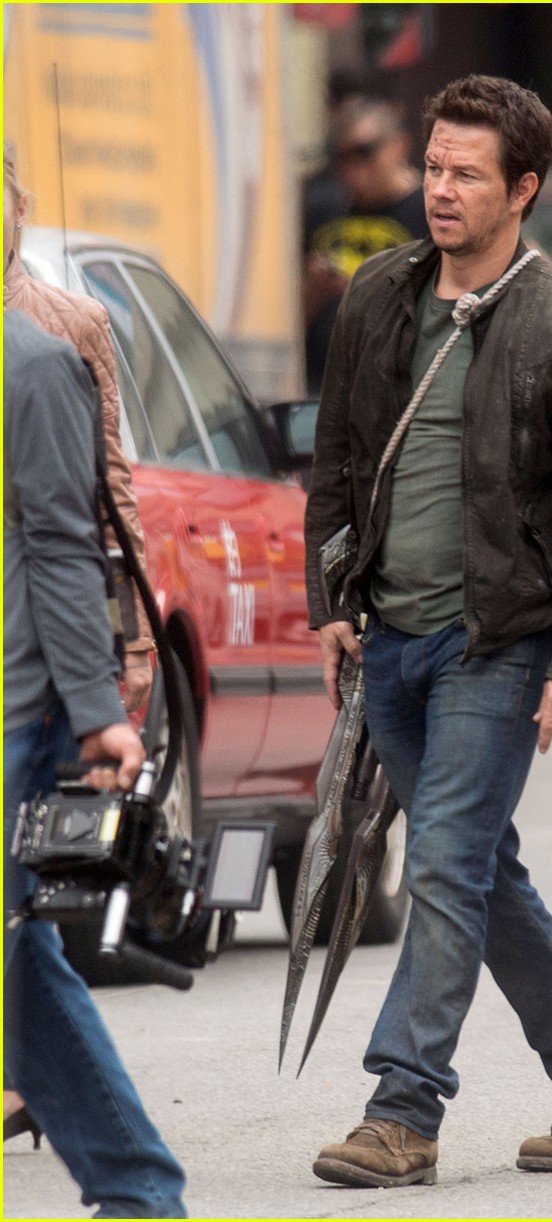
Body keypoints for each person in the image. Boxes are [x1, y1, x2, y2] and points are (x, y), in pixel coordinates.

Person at [304, 74, 552, 1189]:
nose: (440, 189)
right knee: (479, 870)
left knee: (446, 865)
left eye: (466, 173)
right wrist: (330, 603)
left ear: (523, 189)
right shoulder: (377, 293)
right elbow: (336, 459)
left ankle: (401, 1110)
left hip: (496, 644)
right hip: (392, 637)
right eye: (433, 166)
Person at [4, 306, 189, 1217]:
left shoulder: (31, 365)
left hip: (11, 711)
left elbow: (62, 543)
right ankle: (137, 1191)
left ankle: (138, 1191)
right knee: (20, 966)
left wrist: (94, 712)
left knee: (19, 964)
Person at [3, 140, 156, 1144]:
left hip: (27, 677)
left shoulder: (57, 337)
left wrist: (121, 657)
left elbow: (100, 503)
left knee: (24, 931)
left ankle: (131, 1176)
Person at [302, 95, 428, 393]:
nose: (354, 171)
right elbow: (289, 323)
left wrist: (366, 289)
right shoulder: (322, 209)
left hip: (398, 385)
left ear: (399, 146)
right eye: (342, 158)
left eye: (365, 153)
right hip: (326, 383)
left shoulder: (433, 212)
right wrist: (314, 289)